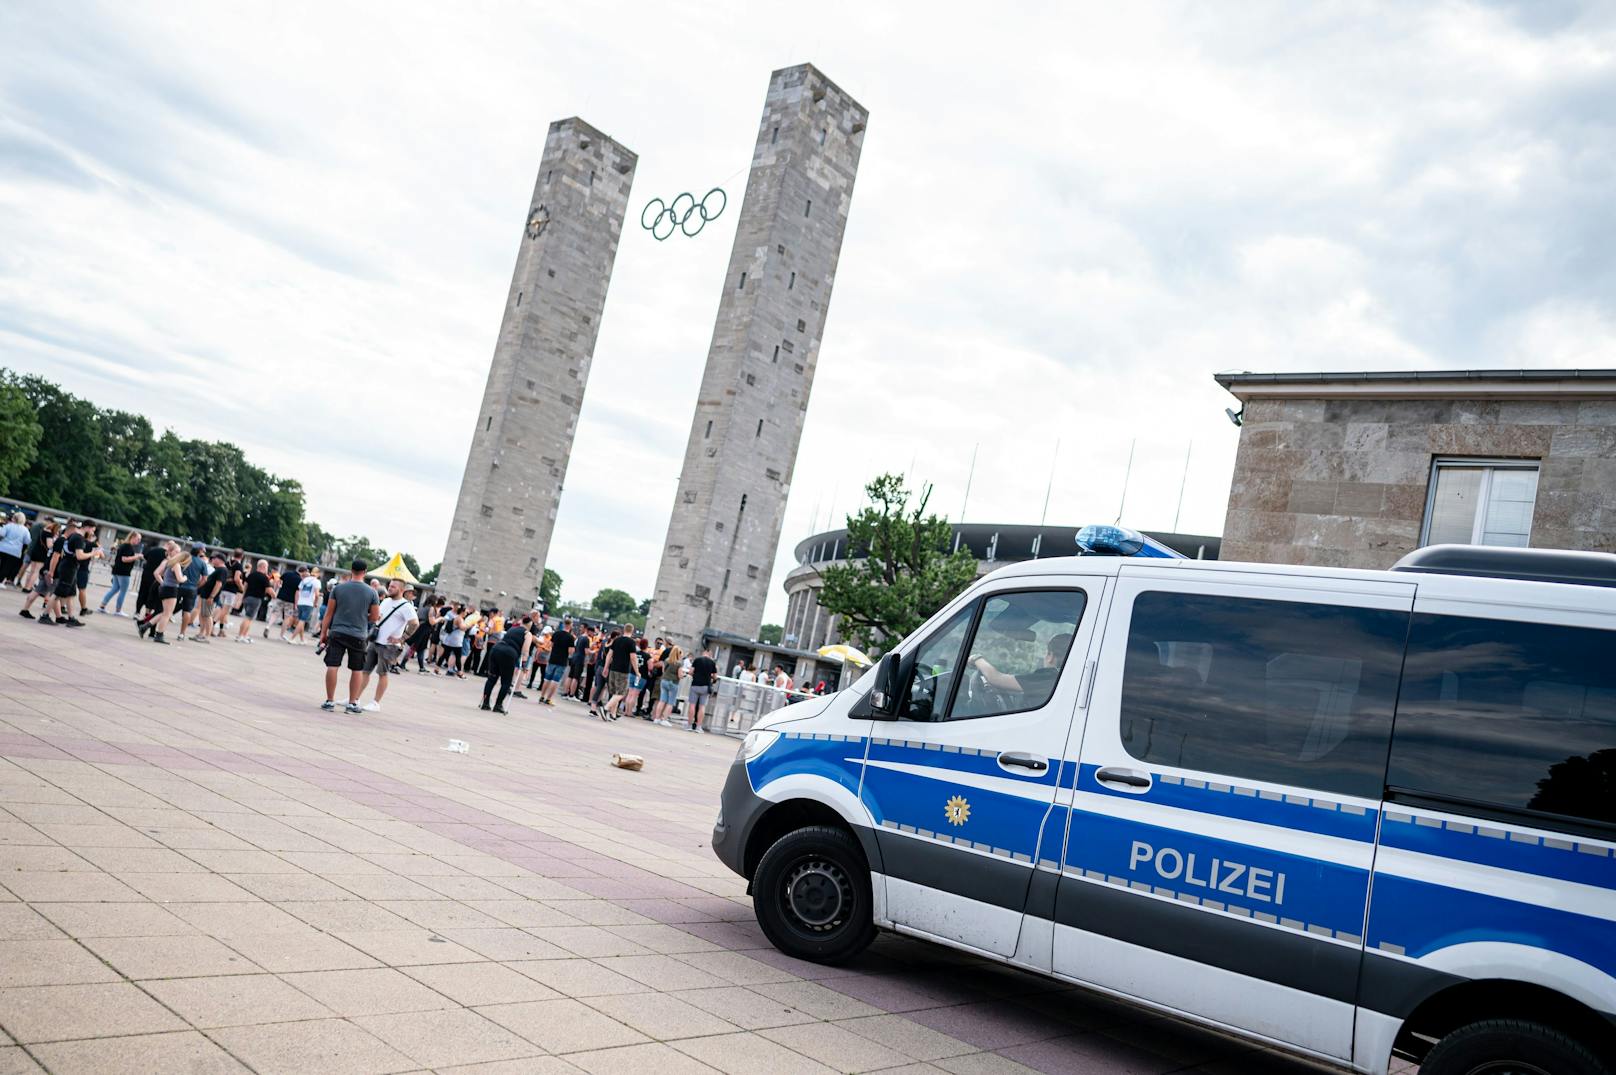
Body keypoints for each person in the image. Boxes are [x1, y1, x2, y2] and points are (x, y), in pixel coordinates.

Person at [319, 560, 380, 714]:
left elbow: (329, 613)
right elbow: (374, 617)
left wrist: (323, 633)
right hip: (358, 634)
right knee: (357, 669)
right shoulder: (372, 592)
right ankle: (352, 703)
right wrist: (361, 614)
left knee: (333, 665)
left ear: (350, 570)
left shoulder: (338, 589)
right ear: (365, 571)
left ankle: (329, 701)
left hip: (337, 632)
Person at [356, 579, 417, 712]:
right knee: (365, 670)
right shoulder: (386, 601)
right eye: (390, 586)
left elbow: (414, 623)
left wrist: (402, 638)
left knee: (382, 673)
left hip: (389, 645)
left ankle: (376, 703)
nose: (390, 589)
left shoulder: (406, 605)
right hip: (376, 640)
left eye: (393, 587)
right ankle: (355, 698)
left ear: (401, 590)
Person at [966, 633, 1072, 700]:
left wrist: (976, 659)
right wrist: (1001, 690)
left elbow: (996, 679)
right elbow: (1026, 689)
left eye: (1046, 653)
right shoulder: (1066, 679)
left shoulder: (1048, 677)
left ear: (1050, 656)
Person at [481, 613, 532, 714]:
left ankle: (485, 703)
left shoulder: (512, 628)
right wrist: (524, 663)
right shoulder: (527, 633)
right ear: (530, 624)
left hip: (496, 649)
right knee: (506, 681)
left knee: (492, 678)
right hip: (509, 653)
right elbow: (525, 650)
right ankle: (498, 705)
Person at [138, 541, 188, 644]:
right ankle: (158, 634)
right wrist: (184, 578)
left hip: (164, 588)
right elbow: (179, 579)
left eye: (179, 552)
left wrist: (163, 583)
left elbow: (157, 573)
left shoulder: (168, 562)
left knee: (163, 612)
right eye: (176, 551)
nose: (178, 553)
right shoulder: (174, 564)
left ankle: (145, 626)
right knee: (167, 614)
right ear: (170, 551)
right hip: (170, 588)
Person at [595, 627, 638, 721]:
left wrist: (606, 667)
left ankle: (612, 714)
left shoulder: (616, 640)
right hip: (623, 670)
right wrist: (637, 672)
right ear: (632, 631)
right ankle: (606, 708)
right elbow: (633, 658)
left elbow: (609, 655)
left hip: (613, 668)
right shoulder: (631, 642)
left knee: (615, 692)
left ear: (624, 630)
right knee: (621, 693)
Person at [98, 531, 142, 615]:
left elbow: (124, 557)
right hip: (123, 572)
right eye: (138, 539)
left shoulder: (124, 545)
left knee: (114, 589)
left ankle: (102, 606)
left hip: (117, 570)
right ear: (132, 537)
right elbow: (124, 559)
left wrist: (134, 555)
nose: (139, 541)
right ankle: (118, 610)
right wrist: (137, 556)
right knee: (122, 591)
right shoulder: (128, 546)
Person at [537, 617, 573, 707]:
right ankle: (548, 699)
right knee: (555, 681)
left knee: (547, 679)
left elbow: (550, 645)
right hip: (562, 660)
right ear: (570, 625)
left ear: (564, 624)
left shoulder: (556, 633)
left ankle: (542, 697)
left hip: (552, 658)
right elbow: (570, 652)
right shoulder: (570, 637)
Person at [236, 559, 272, 643]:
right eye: (266, 567)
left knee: (247, 617)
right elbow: (268, 589)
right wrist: (274, 595)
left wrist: (243, 597)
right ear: (263, 566)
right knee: (249, 618)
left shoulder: (251, 575)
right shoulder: (264, 577)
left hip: (247, 597)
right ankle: (241, 636)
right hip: (256, 599)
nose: (267, 568)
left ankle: (242, 635)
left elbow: (245, 586)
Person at [19, 518, 56, 594]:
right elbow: (49, 546)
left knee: (31, 571)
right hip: (42, 554)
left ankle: (26, 586)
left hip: (35, 552)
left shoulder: (41, 530)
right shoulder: (48, 533)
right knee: (36, 571)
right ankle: (28, 587)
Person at [687, 646, 718, 732]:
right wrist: (710, 676)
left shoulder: (697, 660)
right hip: (705, 686)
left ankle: (689, 725)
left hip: (695, 684)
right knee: (702, 706)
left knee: (692, 705)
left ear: (704, 652)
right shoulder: (712, 663)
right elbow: (715, 676)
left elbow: (690, 672)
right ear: (710, 654)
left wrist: (696, 674)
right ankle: (698, 727)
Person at [654, 644, 684, 725]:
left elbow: (664, 670)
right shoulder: (679, 664)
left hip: (664, 680)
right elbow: (680, 675)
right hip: (673, 682)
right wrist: (683, 675)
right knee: (670, 702)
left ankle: (657, 718)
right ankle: (664, 719)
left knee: (662, 700)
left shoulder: (667, 660)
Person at [270, 565, 300, 639]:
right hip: (290, 600)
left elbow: (277, 581)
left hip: (281, 596)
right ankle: (281, 635)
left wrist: (275, 590)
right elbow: (297, 593)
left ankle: (268, 626)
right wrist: (296, 604)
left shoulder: (286, 574)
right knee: (287, 617)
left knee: (275, 613)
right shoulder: (299, 579)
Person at [0, 512, 29, 587]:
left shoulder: (8, 526)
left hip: (3, 548)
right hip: (15, 551)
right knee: (7, 567)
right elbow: (27, 541)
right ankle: (0, 581)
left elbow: (1, 534)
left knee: (1, 564)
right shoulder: (25, 530)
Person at [291, 567, 319, 644]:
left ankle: (302, 639)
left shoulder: (304, 580)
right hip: (309, 603)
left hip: (300, 602)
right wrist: (315, 603)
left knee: (301, 621)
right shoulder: (316, 581)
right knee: (302, 621)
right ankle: (292, 638)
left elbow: (299, 591)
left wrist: (296, 603)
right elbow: (317, 594)